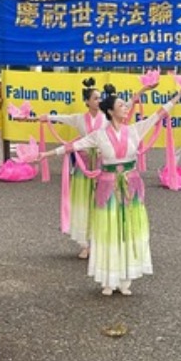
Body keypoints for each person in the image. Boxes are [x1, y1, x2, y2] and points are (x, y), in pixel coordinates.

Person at [39, 82, 181, 296]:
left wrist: (179, 95)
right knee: (108, 231)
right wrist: (46, 155)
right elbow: (73, 146)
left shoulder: (135, 129)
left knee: (128, 230)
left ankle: (126, 277)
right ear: (110, 111)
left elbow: (159, 114)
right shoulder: (99, 135)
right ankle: (108, 278)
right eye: (121, 105)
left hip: (130, 186)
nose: (126, 108)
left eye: (125, 105)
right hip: (107, 186)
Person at [40, 77, 106, 260]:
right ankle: (84, 244)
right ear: (87, 101)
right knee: (83, 203)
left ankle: (100, 242)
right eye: (95, 98)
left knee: (100, 203)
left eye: (100, 98)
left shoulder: (107, 117)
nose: (99, 101)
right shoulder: (79, 119)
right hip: (84, 164)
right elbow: (62, 118)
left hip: (101, 165)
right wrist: (47, 117)